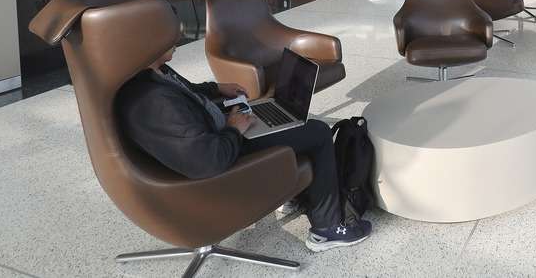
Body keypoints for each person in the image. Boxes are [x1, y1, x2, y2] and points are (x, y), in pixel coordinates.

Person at [115, 47, 372, 253]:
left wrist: (216, 88)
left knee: (289, 121)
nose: (177, 38)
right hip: (223, 158)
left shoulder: (153, 72)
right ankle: (327, 229)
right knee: (317, 132)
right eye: (169, 34)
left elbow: (187, 93)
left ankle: (291, 195)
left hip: (217, 135)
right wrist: (234, 129)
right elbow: (209, 161)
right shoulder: (154, 102)